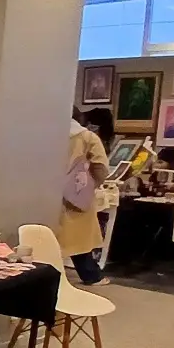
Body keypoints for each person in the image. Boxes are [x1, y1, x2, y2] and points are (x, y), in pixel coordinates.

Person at [59, 107, 110, 286]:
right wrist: (92, 184)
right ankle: (91, 275)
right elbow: (101, 167)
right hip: (74, 194)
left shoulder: (47, 134)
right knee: (78, 239)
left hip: (46, 193)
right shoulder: (87, 137)